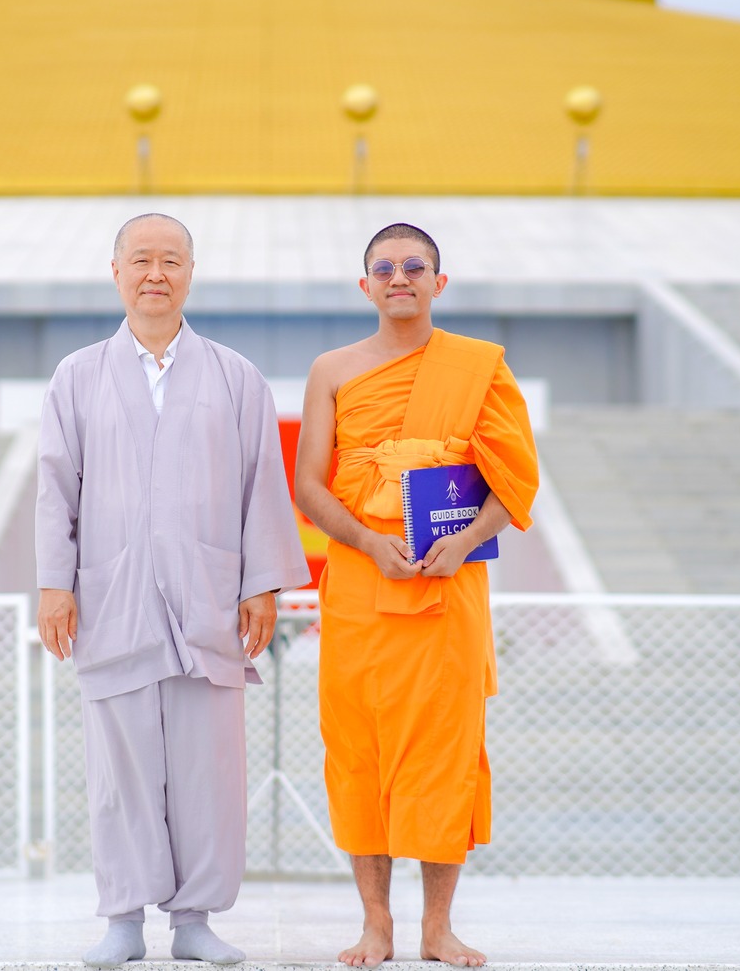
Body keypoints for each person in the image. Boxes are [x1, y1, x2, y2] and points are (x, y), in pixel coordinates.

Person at [37, 212, 309, 967]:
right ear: (116, 271)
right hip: (113, 597)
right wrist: (54, 583)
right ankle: (123, 915)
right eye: (141, 260)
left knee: (206, 769)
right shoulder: (78, 376)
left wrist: (262, 585)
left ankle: (194, 919)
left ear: (191, 272)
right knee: (120, 769)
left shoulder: (234, 375)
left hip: (208, 598)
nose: (156, 273)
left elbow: (263, 485)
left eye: (171, 260)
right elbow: (56, 488)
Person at [294, 222, 540, 968]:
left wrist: (463, 542)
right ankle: (377, 925)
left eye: (415, 265)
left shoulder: (478, 367)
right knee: (361, 755)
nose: (399, 276)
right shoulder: (332, 369)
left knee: (443, 756)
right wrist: (369, 542)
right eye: (385, 267)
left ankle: (438, 926)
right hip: (363, 594)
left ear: (439, 281)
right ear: (365, 285)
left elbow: (513, 479)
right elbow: (309, 483)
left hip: (447, 588)